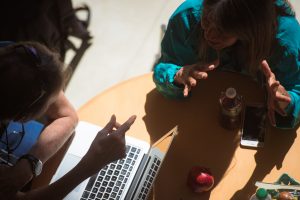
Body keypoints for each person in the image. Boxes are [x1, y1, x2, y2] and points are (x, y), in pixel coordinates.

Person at [0, 41, 136, 199]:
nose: (56, 102)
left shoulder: (15, 57)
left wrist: (28, 165)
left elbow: (67, 115)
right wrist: (89, 166)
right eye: (50, 104)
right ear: (22, 118)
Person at [153, 0, 300, 129]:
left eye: (222, 31)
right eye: (206, 20)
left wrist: (287, 102)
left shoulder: (285, 38)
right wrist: (176, 77)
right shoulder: (188, 17)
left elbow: (296, 90)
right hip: (196, 119)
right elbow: (164, 66)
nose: (209, 35)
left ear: (250, 29)